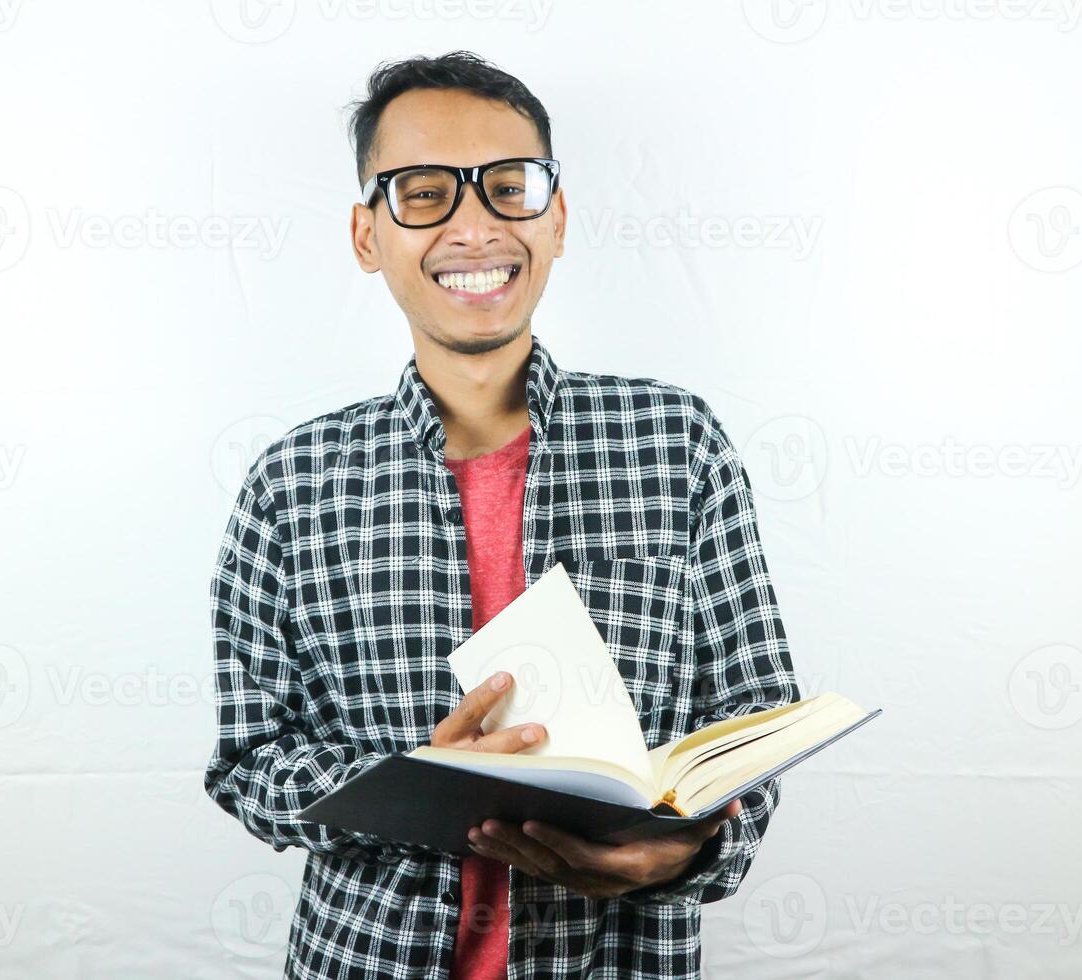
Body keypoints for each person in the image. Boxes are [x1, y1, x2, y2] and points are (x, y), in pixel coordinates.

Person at [203, 49, 800, 980]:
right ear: (368, 236)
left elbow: (754, 716)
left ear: (555, 219)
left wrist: (688, 852)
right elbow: (250, 762)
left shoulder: (677, 444)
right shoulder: (293, 481)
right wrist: (402, 788)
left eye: (509, 188)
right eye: (425, 191)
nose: (474, 226)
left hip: (616, 958)